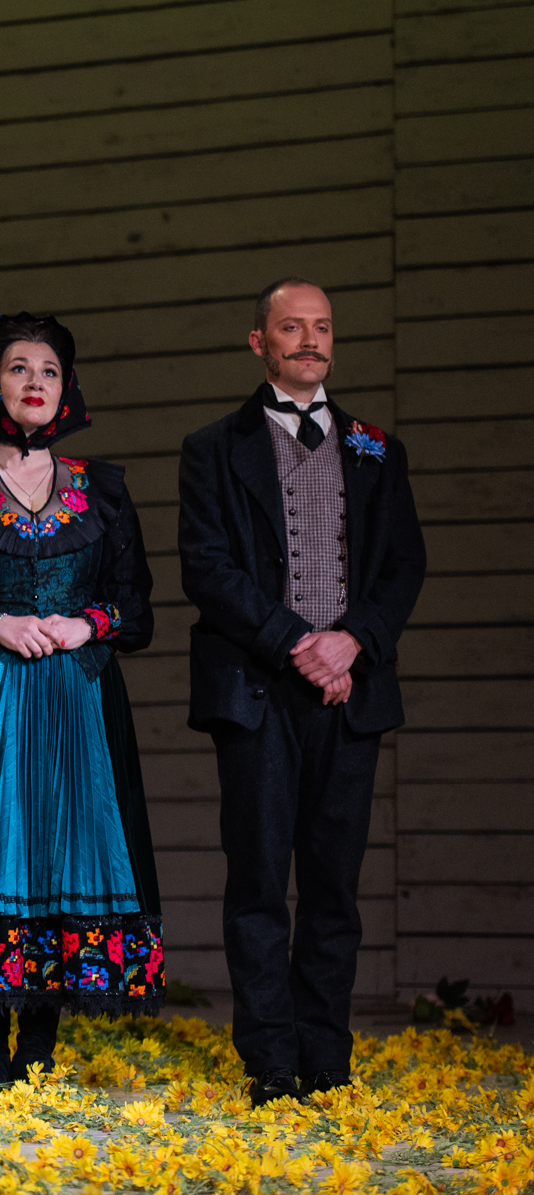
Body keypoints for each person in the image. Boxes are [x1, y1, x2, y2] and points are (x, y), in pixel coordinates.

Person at [0, 312, 163, 1085]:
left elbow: (136, 608)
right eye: (19, 369)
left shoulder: (101, 492)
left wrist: (86, 622)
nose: (35, 382)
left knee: (58, 847)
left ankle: (39, 1044)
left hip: (76, 705)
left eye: (48, 370)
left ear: (65, 387)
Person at [179, 278, 425, 1106]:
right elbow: (206, 570)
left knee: (332, 885)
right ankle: (271, 1065)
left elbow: (404, 566)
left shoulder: (375, 447)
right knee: (257, 883)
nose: (310, 340)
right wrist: (298, 643)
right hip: (257, 688)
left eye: (321, 327)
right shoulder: (213, 447)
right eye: (292, 327)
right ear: (260, 341)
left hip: (350, 689)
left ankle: (326, 1060)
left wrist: (350, 640)